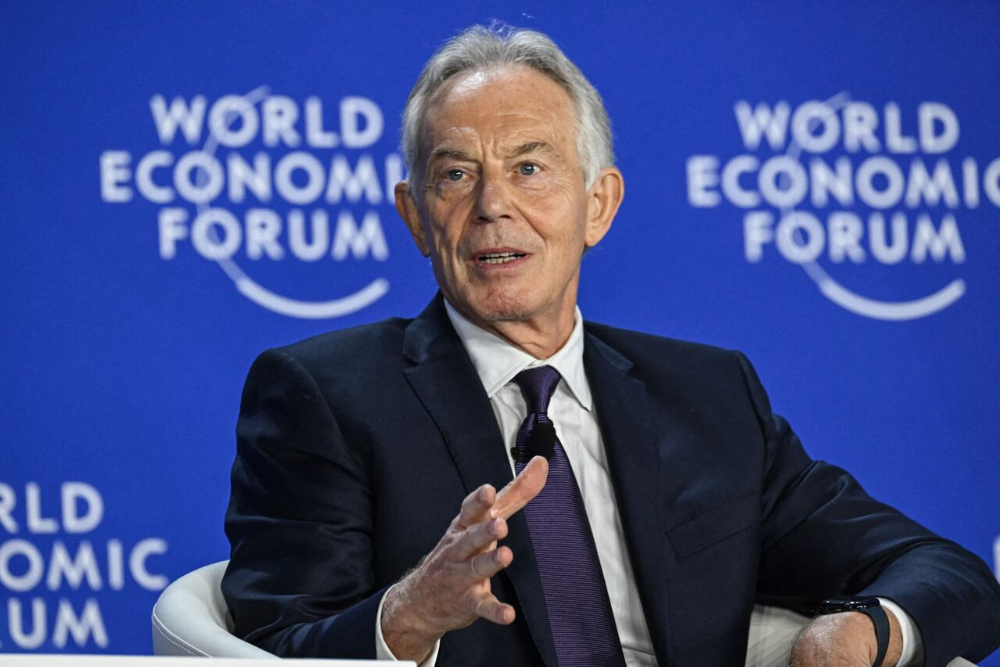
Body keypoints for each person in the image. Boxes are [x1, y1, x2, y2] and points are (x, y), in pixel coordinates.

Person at [222, 24, 1000, 667]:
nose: (493, 205)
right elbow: (269, 648)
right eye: (455, 174)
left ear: (599, 205)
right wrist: (409, 614)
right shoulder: (325, 395)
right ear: (416, 216)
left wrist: (861, 633)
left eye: (530, 167)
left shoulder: (710, 396)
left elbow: (946, 573)